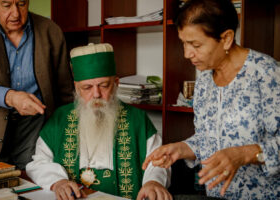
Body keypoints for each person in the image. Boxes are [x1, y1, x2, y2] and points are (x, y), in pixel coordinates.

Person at [142, 0, 280, 199]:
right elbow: (208, 139)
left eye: (195, 45)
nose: (187, 53)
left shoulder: (267, 74)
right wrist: (180, 149)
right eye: (184, 43)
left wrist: (244, 154)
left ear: (226, 38)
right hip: (215, 195)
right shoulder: (205, 78)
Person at [26, 43, 172, 200]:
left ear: (116, 84)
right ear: (76, 88)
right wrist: (58, 182)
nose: (96, 94)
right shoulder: (59, 118)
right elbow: (38, 162)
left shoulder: (138, 120)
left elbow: (158, 162)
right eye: (87, 87)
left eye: (103, 86)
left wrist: (153, 182)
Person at [0, 0, 74, 169]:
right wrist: (11, 97)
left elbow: (65, 89)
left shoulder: (50, 30)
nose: (15, 13)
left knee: (35, 184)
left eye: (21, 4)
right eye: (6, 5)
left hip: (36, 127)